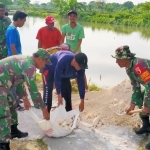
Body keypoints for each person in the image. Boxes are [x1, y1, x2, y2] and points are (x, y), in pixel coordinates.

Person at [0, 48, 50, 150]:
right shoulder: (29, 66)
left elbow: (19, 80)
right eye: (45, 62)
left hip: (3, 84)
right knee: (4, 114)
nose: (44, 65)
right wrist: (44, 109)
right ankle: (3, 144)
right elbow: (34, 90)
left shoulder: (28, 60)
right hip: (1, 85)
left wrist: (25, 99)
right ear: (39, 59)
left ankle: (13, 131)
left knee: (12, 105)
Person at [112, 45, 150, 150]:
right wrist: (132, 104)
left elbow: (149, 84)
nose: (116, 62)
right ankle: (147, 126)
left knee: (147, 104)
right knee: (139, 99)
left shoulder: (139, 66)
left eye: (118, 59)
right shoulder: (129, 69)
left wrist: (147, 105)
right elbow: (136, 87)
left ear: (126, 58)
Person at [6, 10, 28, 111]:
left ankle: (17, 100)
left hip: (14, 58)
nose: (24, 23)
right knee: (14, 83)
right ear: (19, 19)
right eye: (23, 21)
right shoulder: (11, 30)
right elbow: (12, 46)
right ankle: (15, 104)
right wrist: (17, 60)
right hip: (13, 60)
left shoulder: (14, 28)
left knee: (16, 82)